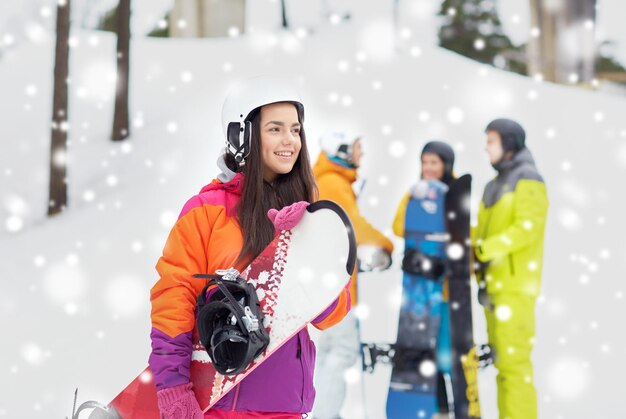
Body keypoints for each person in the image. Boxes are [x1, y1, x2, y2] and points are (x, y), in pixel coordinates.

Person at [149, 76, 351, 419]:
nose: (290, 140)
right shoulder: (205, 211)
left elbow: (333, 314)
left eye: (295, 129)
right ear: (240, 136)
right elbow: (174, 298)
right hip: (223, 405)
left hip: (288, 404)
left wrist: (304, 251)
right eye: (275, 129)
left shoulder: (306, 215)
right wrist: (172, 387)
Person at [311, 131, 394, 419]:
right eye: (358, 148)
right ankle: (325, 413)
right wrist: (385, 244)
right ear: (344, 150)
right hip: (336, 285)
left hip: (328, 281)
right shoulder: (333, 183)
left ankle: (321, 410)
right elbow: (352, 225)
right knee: (342, 351)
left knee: (329, 350)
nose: (362, 154)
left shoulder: (331, 180)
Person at [473, 118, 548, 419]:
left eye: (491, 141)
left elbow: (527, 228)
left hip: (514, 288)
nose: (486, 147)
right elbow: (482, 229)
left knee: (514, 368)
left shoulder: (527, 178)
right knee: (504, 367)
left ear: (509, 143)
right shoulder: (495, 184)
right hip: (493, 287)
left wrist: (484, 250)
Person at [391, 141, 456, 414]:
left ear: (446, 166)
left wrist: (439, 262)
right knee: (422, 355)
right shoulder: (414, 196)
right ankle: (429, 410)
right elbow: (398, 226)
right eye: (425, 162)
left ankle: (445, 409)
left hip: (444, 295)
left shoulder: (454, 197)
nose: (428, 168)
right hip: (418, 295)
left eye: (434, 163)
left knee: (443, 357)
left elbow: (464, 239)